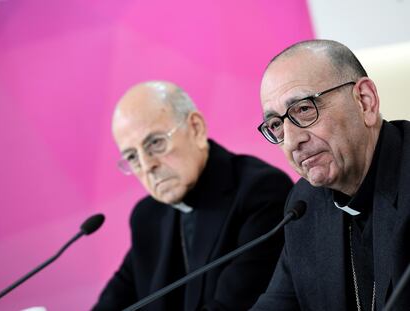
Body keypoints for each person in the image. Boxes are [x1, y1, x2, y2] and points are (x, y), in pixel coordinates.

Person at [92, 81, 293, 311]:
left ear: (196, 128)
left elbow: (232, 306)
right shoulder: (147, 216)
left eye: (155, 143)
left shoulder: (260, 192)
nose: (147, 166)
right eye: (132, 157)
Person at [251, 39, 410, 311]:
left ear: (365, 101)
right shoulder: (305, 205)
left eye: (303, 109)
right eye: (276, 124)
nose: (291, 141)